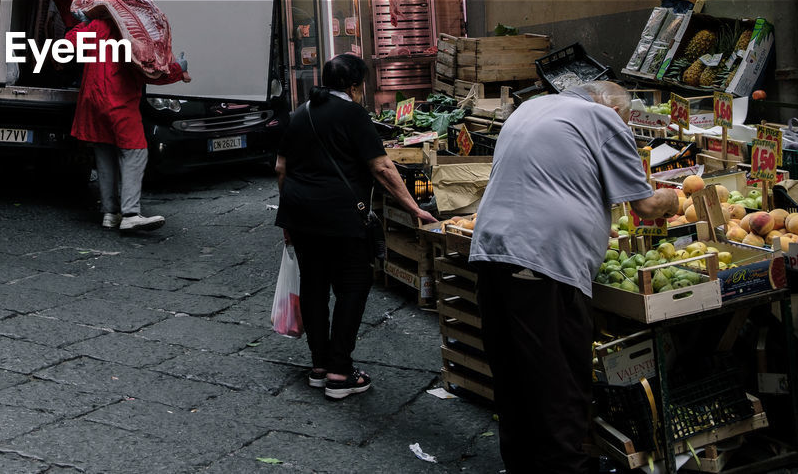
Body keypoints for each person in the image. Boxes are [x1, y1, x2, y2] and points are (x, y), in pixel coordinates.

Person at [468, 80, 678, 474]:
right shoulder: (603, 118)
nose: (627, 130)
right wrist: (673, 198)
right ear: (612, 107)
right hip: (543, 258)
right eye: (628, 120)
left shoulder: (531, 108)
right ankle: (565, 467)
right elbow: (647, 206)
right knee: (558, 375)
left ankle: (523, 465)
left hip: (490, 248)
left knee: (513, 371)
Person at [274, 53, 436, 400]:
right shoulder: (353, 114)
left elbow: (281, 169)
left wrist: (287, 216)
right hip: (340, 214)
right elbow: (382, 168)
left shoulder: (299, 113)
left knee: (314, 287)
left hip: (300, 214)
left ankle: (319, 366)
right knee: (354, 285)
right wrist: (414, 209)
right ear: (354, 86)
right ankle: (339, 371)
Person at [63, 15, 188, 232]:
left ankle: (110, 213)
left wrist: (84, 22)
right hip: (118, 100)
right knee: (135, 153)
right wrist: (178, 68)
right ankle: (130, 214)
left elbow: (69, 43)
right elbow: (150, 72)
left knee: (105, 154)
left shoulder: (97, 24)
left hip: (93, 100)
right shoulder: (133, 31)